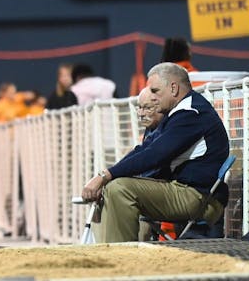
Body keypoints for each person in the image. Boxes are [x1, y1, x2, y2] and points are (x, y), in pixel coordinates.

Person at [81, 63, 230, 243]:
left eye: (155, 90)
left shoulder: (191, 113)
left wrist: (105, 175)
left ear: (174, 88)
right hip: (184, 191)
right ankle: (108, 252)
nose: (151, 97)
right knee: (111, 187)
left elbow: (155, 155)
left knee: (120, 189)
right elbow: (144, 150)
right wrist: (106, 177)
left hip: (200, 198)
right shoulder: (177, 114)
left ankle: (122, 260)